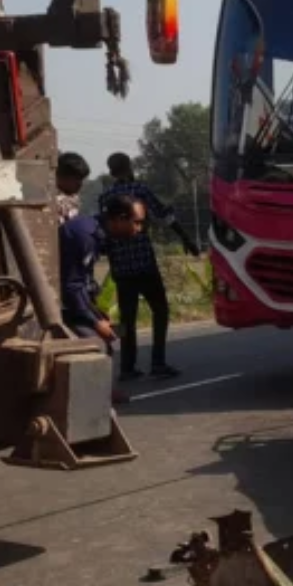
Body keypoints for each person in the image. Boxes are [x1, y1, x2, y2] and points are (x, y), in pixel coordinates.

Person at [99, 152, 200, 381]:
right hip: (144, 263)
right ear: (129, 167)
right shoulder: (141, 190)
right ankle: (158, 362)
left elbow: (105, 235)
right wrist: (187, 240)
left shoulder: (105, 197)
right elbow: (165, 217)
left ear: (111, 171)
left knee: (126, 319)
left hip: (121, 268)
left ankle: (127, 366)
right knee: (160, 310)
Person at [56, 152, 126, 404]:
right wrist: (93, 320)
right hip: (63, 279)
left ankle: (106, 389)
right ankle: (94, 394)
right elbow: (72, 281)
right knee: (95, 339)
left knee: (105, 330)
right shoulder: (53, 203)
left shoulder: (73, 203)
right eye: (76, 180)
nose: (79, 186)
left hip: (76, 278)